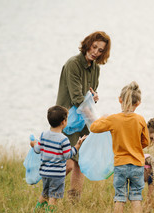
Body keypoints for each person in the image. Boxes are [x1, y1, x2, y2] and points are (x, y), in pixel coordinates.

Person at [56, 31, 111, 201]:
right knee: (70, 162)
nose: (95, 52)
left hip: (83, 119)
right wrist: (95, 121)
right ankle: (48, 192)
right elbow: (77, 98)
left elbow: (88, 94)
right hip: (68, 119)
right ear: (88, 44)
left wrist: (94, 97)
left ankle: (73, 200)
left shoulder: (95, 69)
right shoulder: (73, 64)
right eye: (94, 47)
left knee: (81, 159)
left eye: (100, 50)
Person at [90, 81, 150, 213]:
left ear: (120, 100)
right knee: (136, 197)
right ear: (139, 103)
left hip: (120, 164)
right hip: (137, 165)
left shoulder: (113, 119)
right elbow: (146, 142)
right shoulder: (140, 120)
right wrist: (135, 146)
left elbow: (93, 127)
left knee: (120, 197)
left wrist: (104, 117)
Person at [30, 106, 86, 213]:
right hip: (57, 175)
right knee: (53, 198)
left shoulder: (43, 135)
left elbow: (37, 150)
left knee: (44, 194)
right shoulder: (63, 139)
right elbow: (67, 155)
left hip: (45, 173)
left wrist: (33, 144)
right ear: (64, 122)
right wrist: (77, 146)